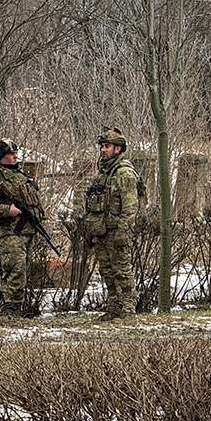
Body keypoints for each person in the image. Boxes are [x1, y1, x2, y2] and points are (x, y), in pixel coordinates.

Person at [0, 139, 44, 316]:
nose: (15, 156)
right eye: (10, 153)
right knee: (15, 267)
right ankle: (10, 309)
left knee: (22, 269)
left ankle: (17, 307)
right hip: (9, 232)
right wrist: (8, 210)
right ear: (0, 156)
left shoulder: (19, 175)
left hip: (26, 231)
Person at [84, 127, 140, 321]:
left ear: (118, 149)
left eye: (106, 146)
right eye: (101, 146)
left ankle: (128, 308)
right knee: (106, 271)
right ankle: (114, 308)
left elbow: (130, 207)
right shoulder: (103, 173)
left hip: (117, 230)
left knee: (122, 270)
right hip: (102, 230)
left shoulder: (124, 173)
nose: (102, 150)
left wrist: (123, 231)